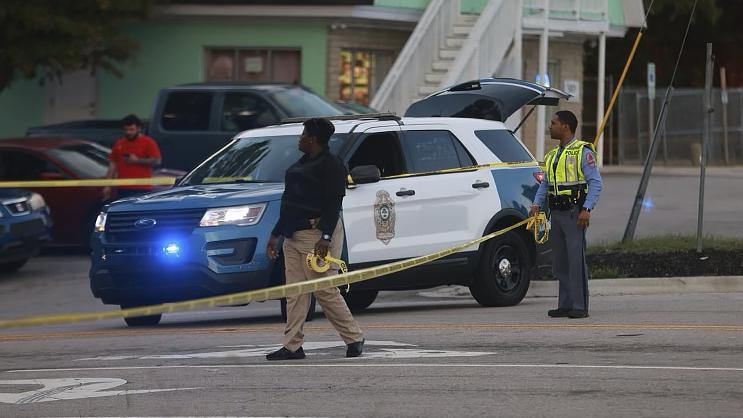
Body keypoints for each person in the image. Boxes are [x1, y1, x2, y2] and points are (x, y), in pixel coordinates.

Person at [265, 117, 364, 361]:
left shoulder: (331, 165)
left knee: (323, 289)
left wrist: (326, 238)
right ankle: (292, 346)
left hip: (316, 234)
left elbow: (333, 204)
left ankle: (354, 338)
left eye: (303, 134)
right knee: (295, 292)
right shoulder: (301, 163)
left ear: (313, 139)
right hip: (293, 234)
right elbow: (289, 204)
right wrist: (275, 234)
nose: (300, 138)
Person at [530, 110, 602, 319]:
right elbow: (546, 184)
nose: (549, 126)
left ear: (566, 126)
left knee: (575, 260)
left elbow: (596, 183)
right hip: (557, 214)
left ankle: (579, 306)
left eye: (553, 123)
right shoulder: (552, 155)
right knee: (560, 262)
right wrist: (536, 204)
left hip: (574, 214)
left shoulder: (583, 151)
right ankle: (565, 304)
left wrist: (586, 209)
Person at [103, 114, 162, 201]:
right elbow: (112, 165)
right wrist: (107, 186)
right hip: (122, 187)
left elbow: (157, 161)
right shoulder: (119, 143)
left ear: (138, 129)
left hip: (142, 188)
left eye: (131, 129)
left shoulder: (148, 142)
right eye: (126, 129)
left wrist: (137, 160)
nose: (128, 132)